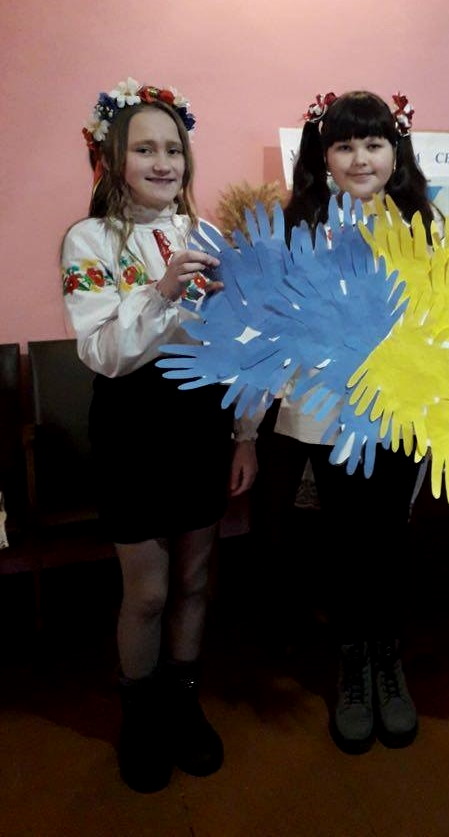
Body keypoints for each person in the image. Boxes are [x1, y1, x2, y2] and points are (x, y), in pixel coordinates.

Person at [61, 78, 257, 793]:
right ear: (111, 157)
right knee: (146, 592)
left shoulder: (208, 236)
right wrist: (164, 289)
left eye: (173, 148)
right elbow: (104, 353)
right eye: (144, 148)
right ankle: (140, 713)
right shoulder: (88, 240)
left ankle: (182, 699)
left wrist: (246, 432)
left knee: (196, 579)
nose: (163, 162)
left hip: (203, 422)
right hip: (132, 428)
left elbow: (241, 341)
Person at [251, 90, 436, 755]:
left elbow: (439, 316)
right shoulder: (300, 225)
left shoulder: (424, 223)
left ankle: (389, 659)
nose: (361, 158)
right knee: (345, 536)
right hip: (331, 411)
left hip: (402, 410)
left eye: (374, 143)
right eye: (345, 144)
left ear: (396, 151)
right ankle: (353, 663)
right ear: (323, 155)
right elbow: (277, 320)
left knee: (390, 536)